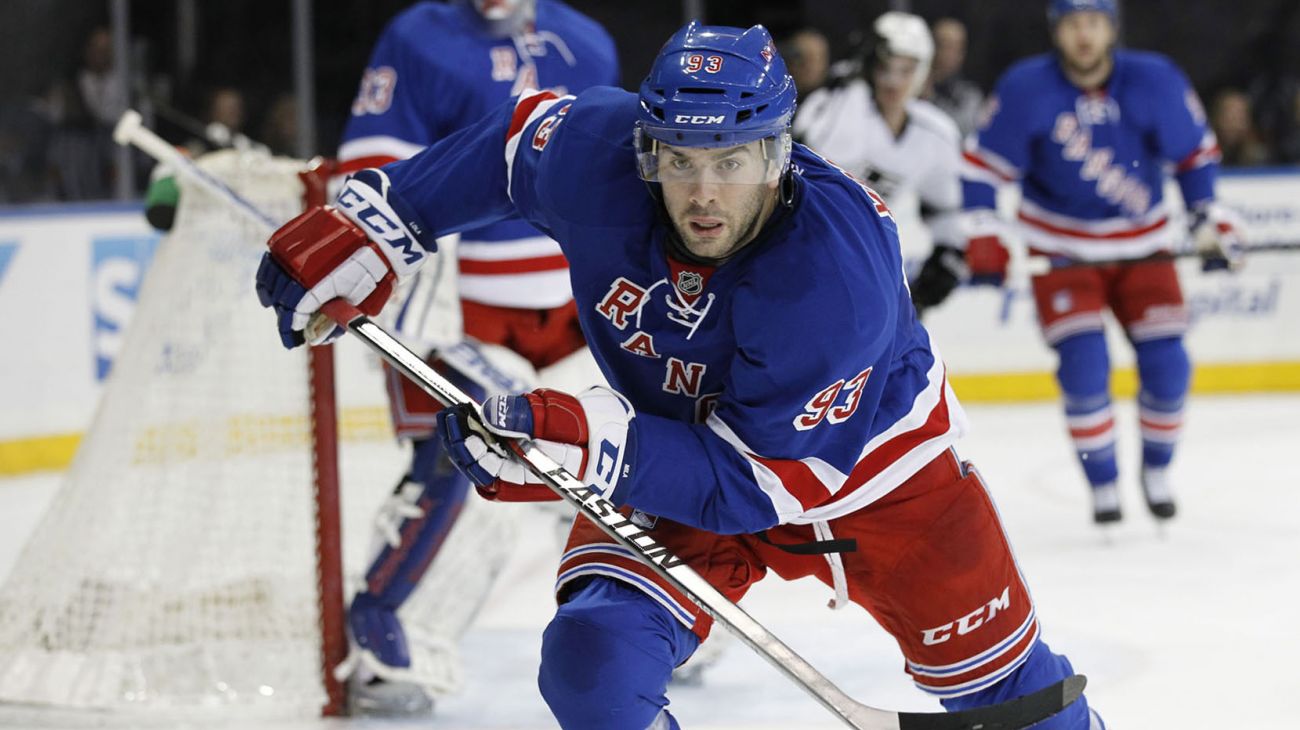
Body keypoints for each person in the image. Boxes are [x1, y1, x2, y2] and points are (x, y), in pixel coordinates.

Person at [254, 21, 1102, 729]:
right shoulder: (599, 155)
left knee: (1015, 699)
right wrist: (386, 218)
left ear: (778, 155)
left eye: (732, 162)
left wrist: (586, 443)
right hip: (681, 459)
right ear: (644, 147)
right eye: (679, 159)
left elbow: (761, 484)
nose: (703, 194)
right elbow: (509, 147)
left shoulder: (834, 278)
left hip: (877, 480)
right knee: (592, 668)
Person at [327, 0, 618, 714]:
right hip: (464, 316)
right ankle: (389, 633)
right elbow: (372, 170)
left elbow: (612, 174)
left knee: (625, 454)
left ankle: (644, 617)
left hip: (578, 315)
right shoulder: (420, 36)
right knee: (477, 458)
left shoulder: (586, 42)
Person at [955, 0, 1245, 524]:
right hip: (1061, 251)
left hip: (1144, 247)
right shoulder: (1027, 87)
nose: (1083, 35)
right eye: (1072, 24)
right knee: (1084, 368)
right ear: (1056, 30)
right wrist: (984, 229)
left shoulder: (1154, 79)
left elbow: (1194, 155)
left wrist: (1207, 216)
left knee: (1169, 366)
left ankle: (1156, 470)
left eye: (1093, 22)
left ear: (1111, 28)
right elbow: (982, 167)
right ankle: (1104, 482)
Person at [793, 11, 966, 317]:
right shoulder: (833, 110)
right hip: (800, 254)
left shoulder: (935, 135)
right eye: (885, 67)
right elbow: (818, 152)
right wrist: (852, 84)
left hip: (866, 268)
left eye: (906, 69)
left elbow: (945, 211)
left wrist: (947, 256)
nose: (894, 81)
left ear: (922, 71)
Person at [924, 18, 984, 138]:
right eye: (942, 45)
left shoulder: (970, 96)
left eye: (955, 47)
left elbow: (964, 131)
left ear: (962, 54)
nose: (948, 53)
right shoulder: (912, 87)